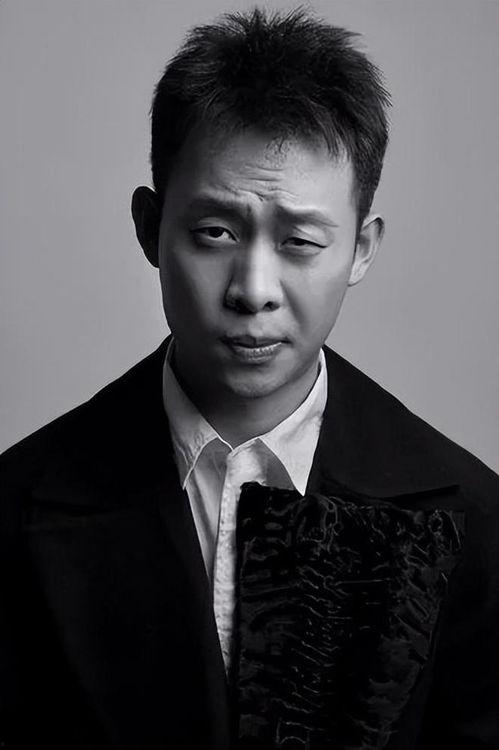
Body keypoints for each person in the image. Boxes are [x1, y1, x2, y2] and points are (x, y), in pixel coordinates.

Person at [1, 8, 498, 749]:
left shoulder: (474, 521)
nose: (253, 290)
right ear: (149, 227)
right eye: (215, 233)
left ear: (361, 250)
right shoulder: (14, 509)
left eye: (300, 241)